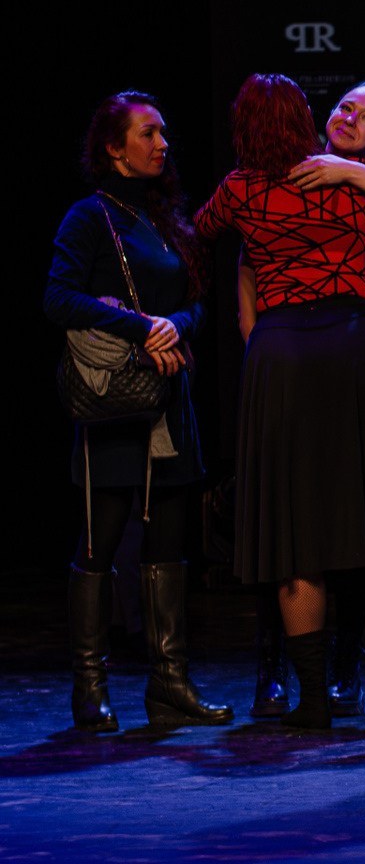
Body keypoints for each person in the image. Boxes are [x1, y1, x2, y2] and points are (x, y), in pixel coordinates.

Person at [195, 74, 365, 731]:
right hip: (356, 350)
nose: (349, 117)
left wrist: (254, 264)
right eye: (343, 107)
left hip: (284, 356)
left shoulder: (240, 188)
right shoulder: (351, 191)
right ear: (308, 117)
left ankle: (315, 701)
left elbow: (200, 233)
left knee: (294, 536)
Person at [45, 91, 229, 732]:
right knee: (101, 541)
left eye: (163, 132)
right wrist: (140, 327)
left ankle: (169, 683)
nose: (162, 144)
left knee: (169, 543)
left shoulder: (162, 216)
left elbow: (197, 301)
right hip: (117, 405)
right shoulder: (90, 217)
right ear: (113, 148)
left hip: (169, 403)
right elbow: (58, 298)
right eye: (148, 133)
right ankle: (89, 686)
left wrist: (176, 324)